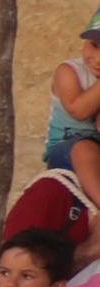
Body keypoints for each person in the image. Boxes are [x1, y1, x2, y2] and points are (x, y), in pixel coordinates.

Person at [45, 16, 100, 179]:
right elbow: (78, 110)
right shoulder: (69, 71)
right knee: (84, 150)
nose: (98, 59)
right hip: (67, 151)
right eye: (94, 45)